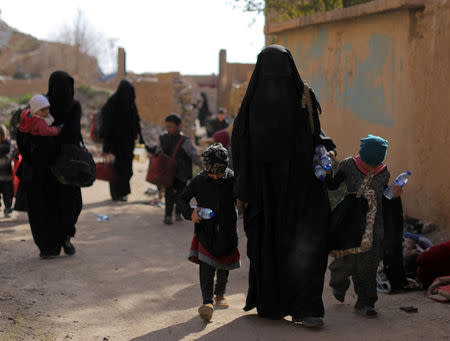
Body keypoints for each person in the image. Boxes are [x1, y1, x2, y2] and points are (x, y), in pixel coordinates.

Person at [232, 45, 336, 328]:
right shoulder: (253, 105)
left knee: (307, 246)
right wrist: (244, 190)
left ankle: (306, 308)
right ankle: (272, 304)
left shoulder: (303, 96)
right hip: (266, 193)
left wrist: (327, 151)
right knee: (269, 247)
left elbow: (318, 134)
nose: (276, 79)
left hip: (302, 188)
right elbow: (240, 147)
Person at [327, 135, 402, 318]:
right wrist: (328, 166)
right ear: (361, 156)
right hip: (351, 221)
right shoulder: (347, 165)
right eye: (368, 164)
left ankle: (365, 303)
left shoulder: (384, 172)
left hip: (374, 222)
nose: (371, 168)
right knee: (345, 260)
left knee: (368, 265)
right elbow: (332, 185)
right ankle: (338, 283)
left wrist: (393, 192)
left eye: (374, 165)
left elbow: (383, 195)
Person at [17, 71, 82, 258]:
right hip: (64, 168)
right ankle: (64, 238)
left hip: (38, 168)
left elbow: (22, 134)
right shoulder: (73, 107)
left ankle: (47, 246)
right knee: (68, 205)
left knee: (41, 207)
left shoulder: (38, 105)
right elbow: (72, 135)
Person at [178, 143, 240, 322]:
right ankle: (207, 302)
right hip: (205, 232)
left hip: (228, 232)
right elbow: (182, 199)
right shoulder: (199, 180)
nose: (213, 175)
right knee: (206, 266)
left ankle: (220, 294)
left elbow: (246, 194)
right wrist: (191, 213)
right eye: (210, 172)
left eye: (218, 172)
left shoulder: (233, 180)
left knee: (224, 265)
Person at [153, 114, 202, 225]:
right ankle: (168, 215)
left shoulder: (185, 140)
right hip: (168, 173)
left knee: (181, 194)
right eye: (167, 127)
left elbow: (193, 154)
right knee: (168, 193)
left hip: (182, 173)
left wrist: (201, 165)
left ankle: (178, 213)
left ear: (179, 125)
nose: (168, 129)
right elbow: (158, 150)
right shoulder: (163, 138)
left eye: (170, 126)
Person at [101, 80, 145, 202]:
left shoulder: (130, 103)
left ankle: (123, 193)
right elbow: (107, 126)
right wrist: (106, 147)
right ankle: (116, 194)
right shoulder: (111, 104)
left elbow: (136, 120)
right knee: (115, 169)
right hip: (115, 145)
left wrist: (139, 135)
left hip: (127, 144)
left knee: (126, 169)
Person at [0, 125, 15, 218]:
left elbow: (10, 155)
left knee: (7, 192)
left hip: (6, 174)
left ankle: (8, 208)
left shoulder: (8, 145)